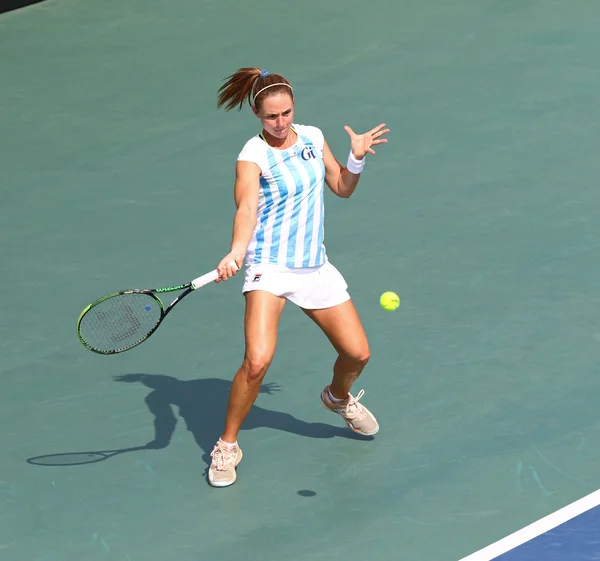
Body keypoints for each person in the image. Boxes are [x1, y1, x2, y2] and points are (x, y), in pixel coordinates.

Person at [207, 67, 389, 487]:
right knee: (257, 361)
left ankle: (337, 398)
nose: (281, 122)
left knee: (358, 354)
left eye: (286, 112)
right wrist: (237, 251)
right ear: (256, 113)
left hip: (314, 266)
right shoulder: (251, 156)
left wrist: (355, 156)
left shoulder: (312, 137)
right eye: (272, 116)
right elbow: (247, 209)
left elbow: (341, 187)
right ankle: (227, 445)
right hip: (269, 267)